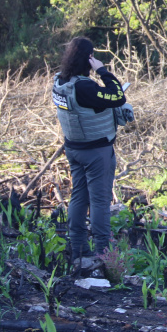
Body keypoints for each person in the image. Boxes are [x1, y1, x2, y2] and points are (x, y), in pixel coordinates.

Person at [52, 37, 128, 262]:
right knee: (100, 200)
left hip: (74, 149)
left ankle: (78, 248)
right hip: (96, 152)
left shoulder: (59, 81)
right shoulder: (85, 86)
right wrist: (103, 70)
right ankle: (103, 254)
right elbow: (117, 96)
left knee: (78, 197)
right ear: (88, 58)